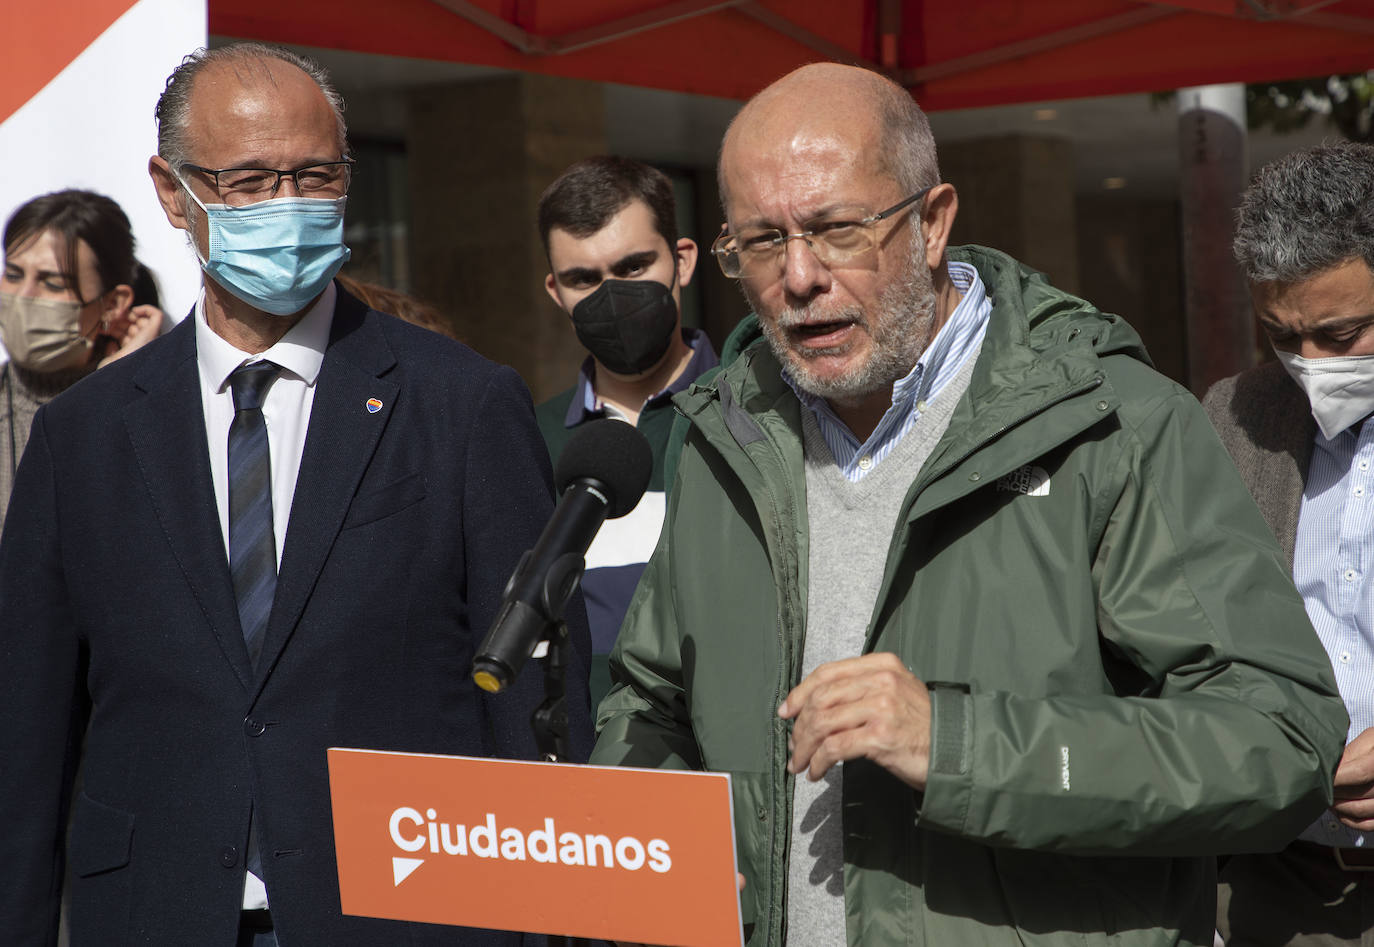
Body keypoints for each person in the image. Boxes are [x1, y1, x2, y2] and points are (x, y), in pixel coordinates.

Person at [589, 62, 1349, 946]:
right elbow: (648, 698)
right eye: (762, 242)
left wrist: (957, 744)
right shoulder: (723, 432)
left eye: (837, 230)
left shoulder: (1115, 426)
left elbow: (1280, 740)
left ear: (933, 221)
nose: (798, 277)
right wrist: (656, 850)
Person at [0, 42, 591, 947]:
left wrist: (559, 925)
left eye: (315, 177)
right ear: (171, 192)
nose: (287, 208)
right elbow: (29, 738)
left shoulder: (463, 403)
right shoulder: (83, 437)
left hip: (408, 913)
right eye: (247, 182)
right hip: (156, 910)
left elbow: (536, 700)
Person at [1206, 141, 1374, 946]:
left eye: (1339, 335)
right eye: (1281, 334)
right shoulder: (1234, 416)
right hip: (1281, 888)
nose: (1308, 364)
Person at [534, 155, 718, 705]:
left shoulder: (760, 414)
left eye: (634, 267)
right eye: (583, 279)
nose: (612, 296)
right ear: (555, 292)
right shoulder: (526, 439)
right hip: (585, 767)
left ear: (682, 260)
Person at [0, 189, 164, 532]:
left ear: (112, 305)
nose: (24, 297)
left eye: (52, 283)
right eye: (13, 275)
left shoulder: (157, 414)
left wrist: (111, 387)